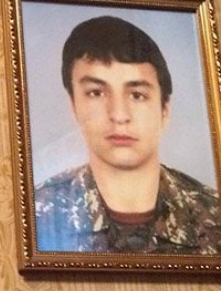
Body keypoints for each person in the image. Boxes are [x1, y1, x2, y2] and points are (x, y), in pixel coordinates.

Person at [35, 15, 221, 254]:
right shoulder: (36, 214)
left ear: (164, 109)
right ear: (73, 106)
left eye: (137, 95)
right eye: (95, 93)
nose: (119, 115)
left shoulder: (214, 214)